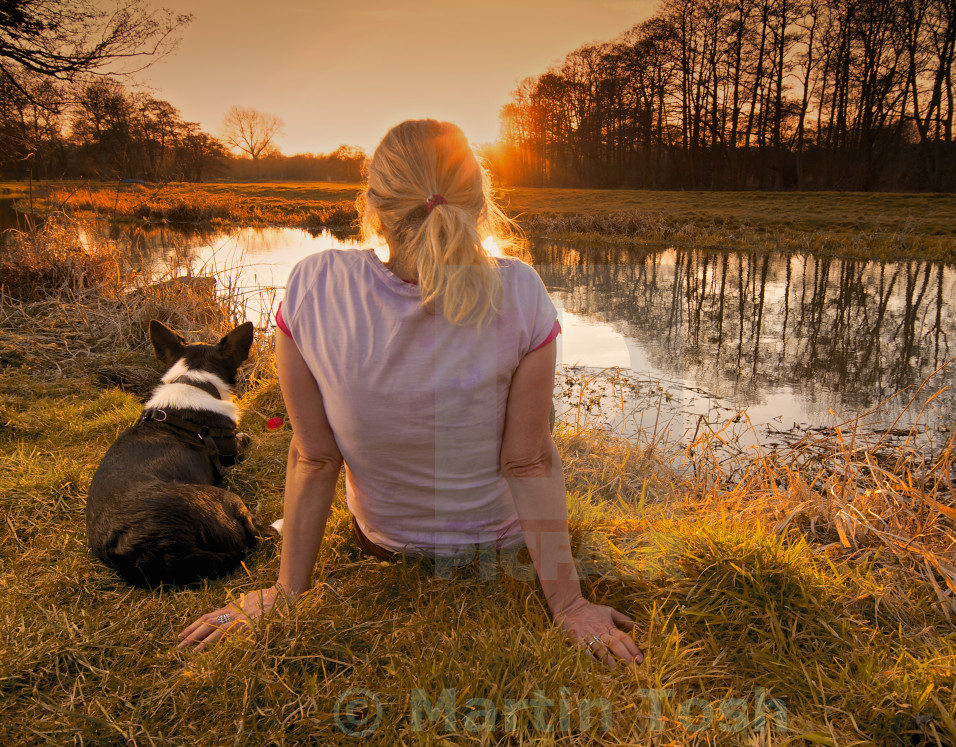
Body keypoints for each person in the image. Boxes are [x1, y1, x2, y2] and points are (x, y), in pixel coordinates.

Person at [178, 119, 642, 666]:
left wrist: (286, 592)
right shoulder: (521, 289)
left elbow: (314, 455)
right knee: (537, 419)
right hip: (499, 544)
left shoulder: (314, 283)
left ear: (373, 206)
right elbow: (530, 462)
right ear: (479, 202)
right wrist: (568, 604)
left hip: (384, 543)